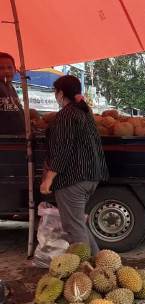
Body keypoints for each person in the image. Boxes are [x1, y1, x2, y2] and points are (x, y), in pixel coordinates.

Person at [40, 75, 108, 256]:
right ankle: (98, 264)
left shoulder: (67, 115)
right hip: (90, 176)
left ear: (61, 93)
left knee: (73, 228)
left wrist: (48, 180)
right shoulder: (84, 112)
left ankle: (84, 272)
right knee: (77, 224)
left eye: (56, 92)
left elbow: (62, 150)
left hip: (73, 179)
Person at [0, 52, 25, 135]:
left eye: (9, 67)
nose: (6, 71)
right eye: (1, 68)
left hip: (17, 138)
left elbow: (15, 110)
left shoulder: (11, 88)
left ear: (15, 70)